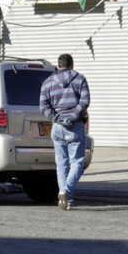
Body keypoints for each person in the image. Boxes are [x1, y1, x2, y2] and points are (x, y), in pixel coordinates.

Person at [39, 54, 91, 210]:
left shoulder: (47, 82)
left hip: (57, 127)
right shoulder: (80, 79)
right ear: (72, 65)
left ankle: (66, 196)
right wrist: (73, 116)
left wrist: (57, 118)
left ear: (58, 66)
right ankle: (66, 191)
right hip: (75, 126)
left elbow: (43, 106)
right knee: (77, 162)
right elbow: (85, 101)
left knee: (61, 164)